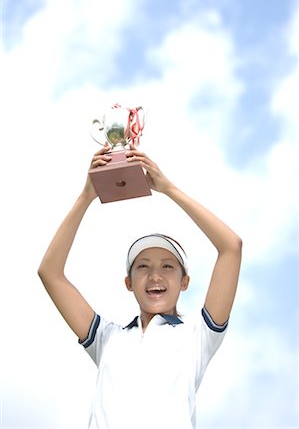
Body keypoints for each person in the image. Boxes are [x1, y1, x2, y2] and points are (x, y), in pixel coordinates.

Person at [38, 145, 242, 429]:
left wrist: (169, 188)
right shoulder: (106, 338)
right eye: (143, 266)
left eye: (168, 266)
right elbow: (50, 273)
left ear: (184, 282)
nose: (155, 276)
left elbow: (231, 247)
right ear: (129, 283)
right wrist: (86, 196)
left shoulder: (198, 335)